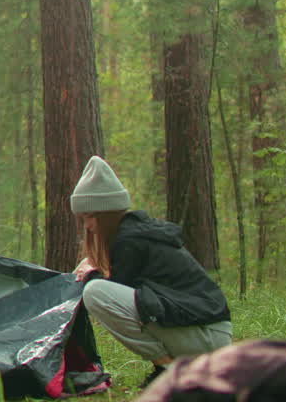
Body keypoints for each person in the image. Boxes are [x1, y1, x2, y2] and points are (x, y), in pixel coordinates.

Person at [70, 156, 232, 388]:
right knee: (100, 289)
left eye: (89, 217)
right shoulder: (136, 233)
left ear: (104, 214)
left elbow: (116, 295)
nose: (87, 226)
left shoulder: (130, 240)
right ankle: (169, 367)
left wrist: (89, 277)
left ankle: (169, 370)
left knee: (95, 292)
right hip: (212, 334)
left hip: (205, 336)